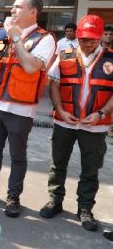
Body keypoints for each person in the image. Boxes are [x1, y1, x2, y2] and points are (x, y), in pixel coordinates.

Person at [0, 0, 56, 217]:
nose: (12, 11)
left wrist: (17, 38)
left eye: (18, 7)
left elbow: (31, 67)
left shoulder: (45, 39)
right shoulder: (4, 37)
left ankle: (13, 196)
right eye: (13, 7)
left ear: (33, 12)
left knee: (17, 156)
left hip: (21, 109)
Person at [39, 15, 112, 232]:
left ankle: (85, 209)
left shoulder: (111, 59)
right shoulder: (65, 54)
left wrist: (100, 113)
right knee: (57, 164)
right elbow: (53, 84)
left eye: (91, 39)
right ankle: (55, 200)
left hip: (95, 126)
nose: (86, 44)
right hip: (64, 122)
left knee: (90, 170)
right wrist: (60, 109)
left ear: (100, 38)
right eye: (83, 39)